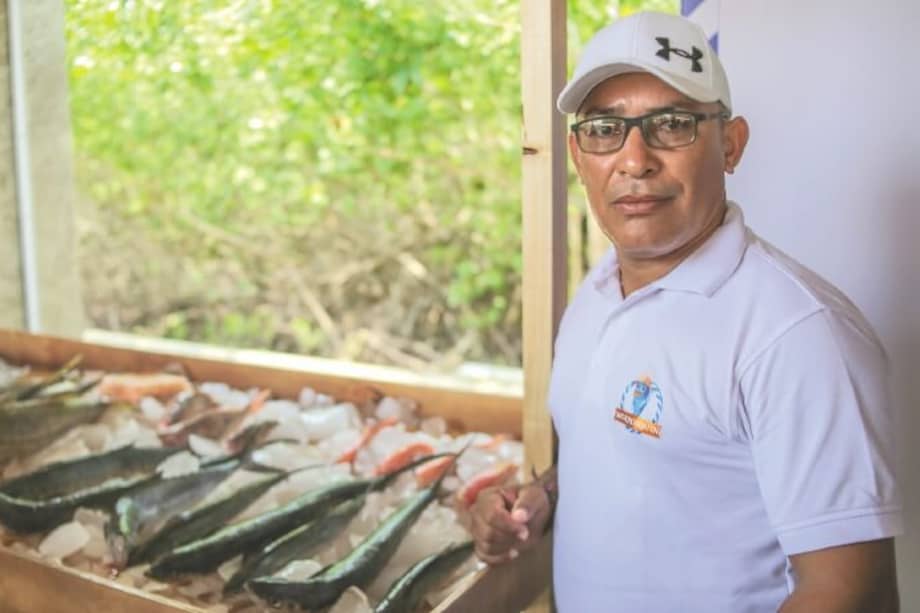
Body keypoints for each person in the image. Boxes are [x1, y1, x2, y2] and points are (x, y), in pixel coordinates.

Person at [469, 11, 902, 613]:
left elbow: (848, 593)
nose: (634, 160)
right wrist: (543, 497)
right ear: (577, 154)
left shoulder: (797, 334)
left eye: (671, 125)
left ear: (731, 144)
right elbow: (636, 455)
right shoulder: (597, 294)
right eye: (604, 129)